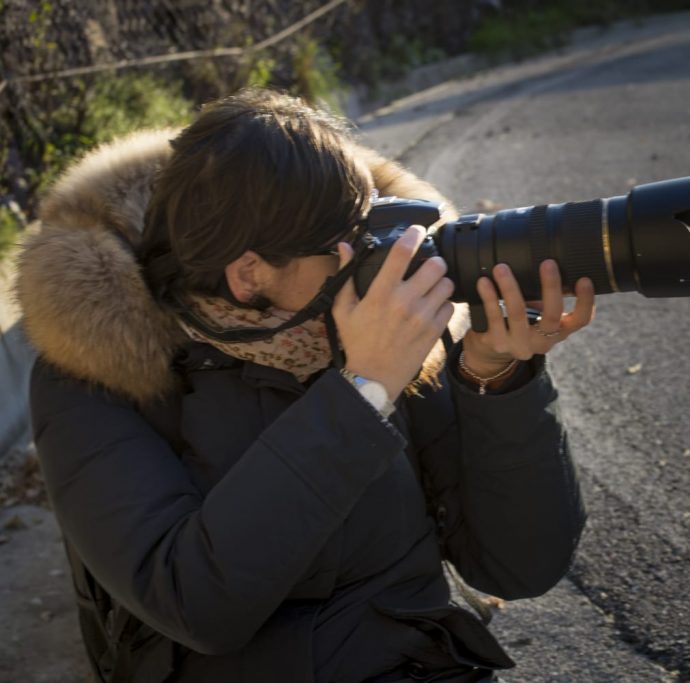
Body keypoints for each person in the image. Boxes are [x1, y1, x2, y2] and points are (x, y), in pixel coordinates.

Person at [15, 88, 593, 682]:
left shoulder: (374, 332)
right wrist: (362, 391)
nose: (372, 261)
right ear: (249, 274)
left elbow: (519, 566)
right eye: (347, 248)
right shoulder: (93, 377)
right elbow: (194, 605)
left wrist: (496, 380)